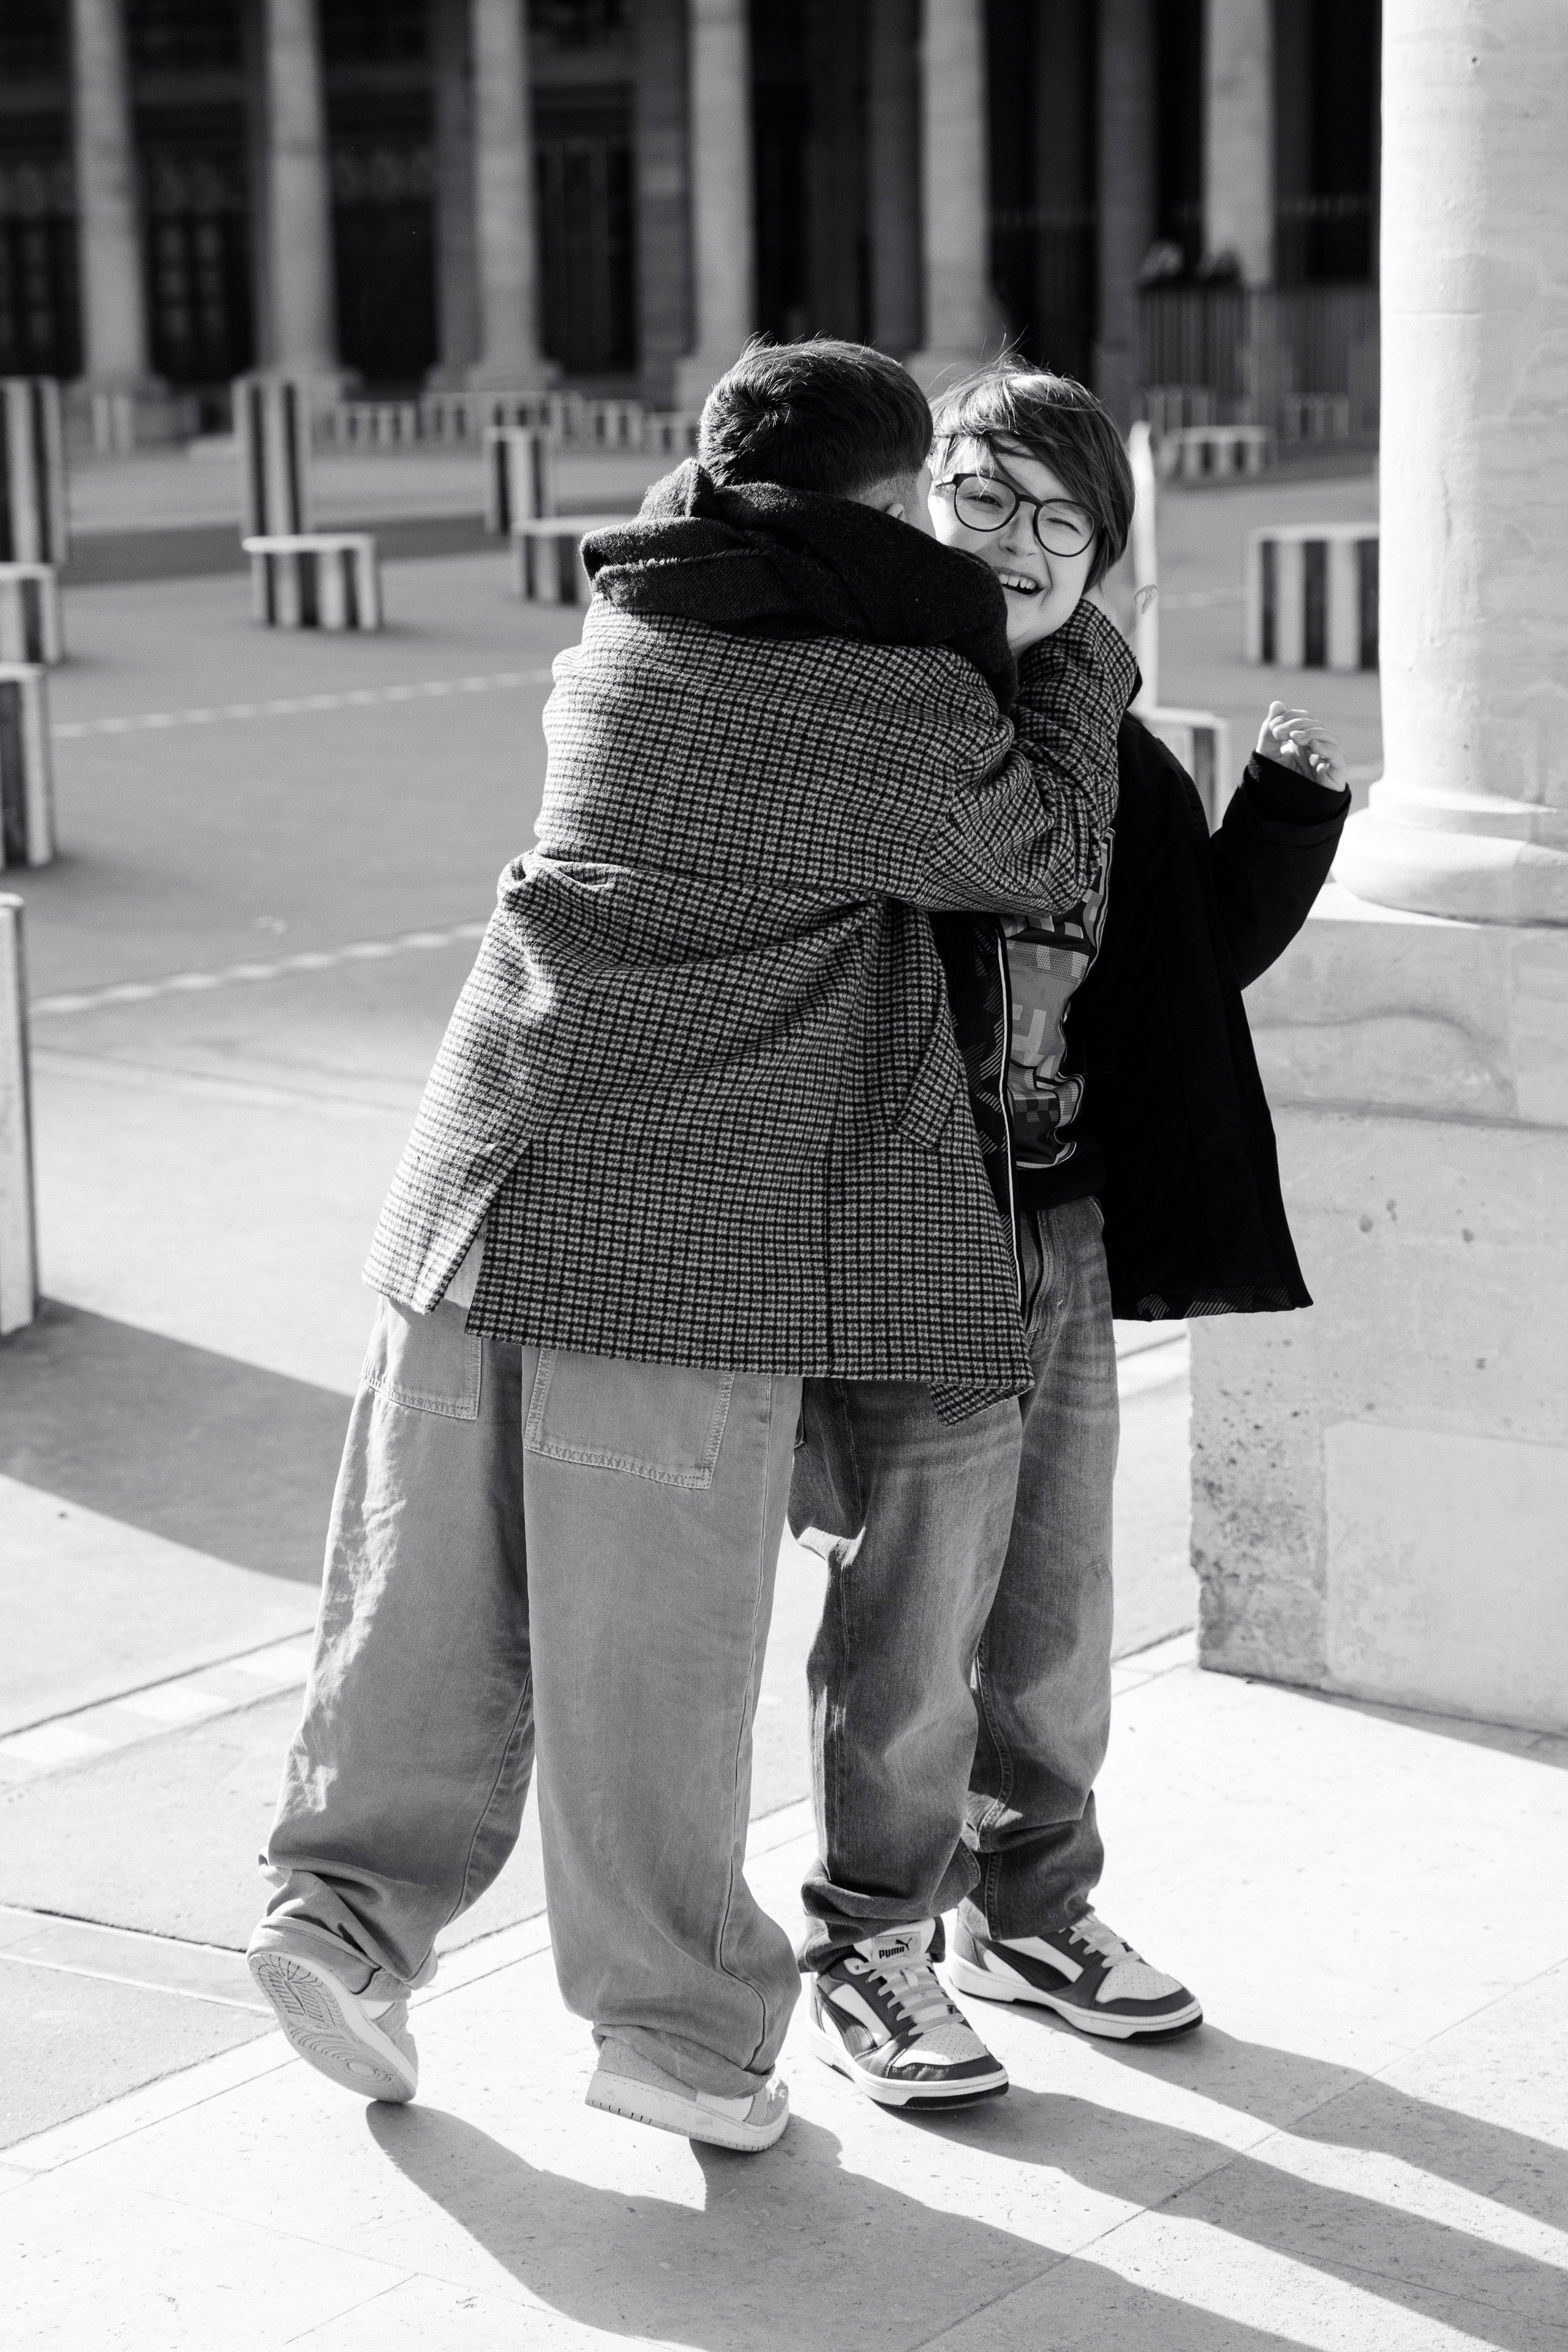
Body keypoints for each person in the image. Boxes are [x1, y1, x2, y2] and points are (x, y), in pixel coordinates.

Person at [245, 339, 1136, 2152]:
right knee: (648, 1649)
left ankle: (338, 1917)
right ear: (882, 507)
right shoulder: (870, 699)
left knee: (423, 1600)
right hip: (681, 1237)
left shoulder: (629, 637)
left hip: (475, 1186)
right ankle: (675, 2030)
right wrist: (1088, 635)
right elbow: (1043, 842)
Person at [793, 361, 1351, 2109]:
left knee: (1053, 1603)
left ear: (1101, 550)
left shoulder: (1106, 747)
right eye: (986, 497)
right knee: (909, 1612)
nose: (1021, 542)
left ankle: (1029, 1912)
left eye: (1063, 517)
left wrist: (1285, 823)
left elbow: (1182, 978)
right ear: (921, 500)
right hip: (912, 1233)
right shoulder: (867, 705)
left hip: (1069, 1226)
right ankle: (874, 1939)